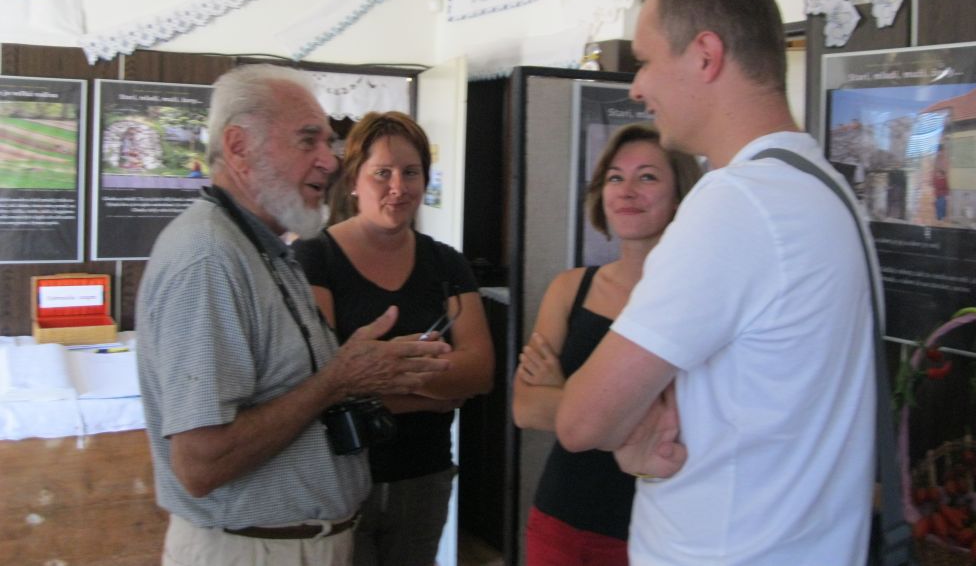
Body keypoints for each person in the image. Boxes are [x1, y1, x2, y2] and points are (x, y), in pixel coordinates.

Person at [556, 0, 878, 565]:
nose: (636, 87)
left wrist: (626, 428)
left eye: (646, 60)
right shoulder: (827, 190)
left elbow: (581, 420)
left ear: (705, 55)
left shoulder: (737, 203)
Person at [136, 64, 452, 566]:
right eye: (308, 141)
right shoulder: (209, 258)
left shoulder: (262, 248)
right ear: (239, 147)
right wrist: (338, 381)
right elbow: (201, 463)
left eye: (328, 142)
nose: (330, 161)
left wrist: (355, 373)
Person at [292, 110, 495, 566]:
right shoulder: (314, 257)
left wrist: (371, 376)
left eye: (411, 172)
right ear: (353, 180)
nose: (398, 187)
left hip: (424, 475)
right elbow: (318, 382)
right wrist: (433, 389)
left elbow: (480, 372)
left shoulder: (447, 263)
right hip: (340, 478)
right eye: (382, 173)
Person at [512, 123, 702, 566]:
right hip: (560, 516)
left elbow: (694, 422)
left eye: (647, 177)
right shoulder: (570, 289)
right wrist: (634, 414)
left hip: (654, 530)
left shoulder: (695, 300)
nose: (627, 190)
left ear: (680, 195)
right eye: (616, 177)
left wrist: (566, 393)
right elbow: (525, 408)